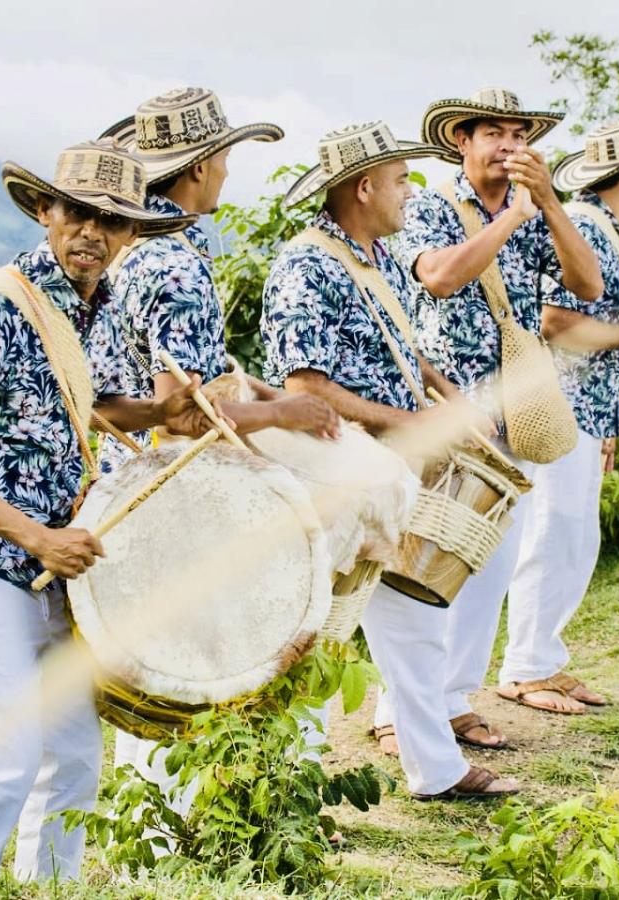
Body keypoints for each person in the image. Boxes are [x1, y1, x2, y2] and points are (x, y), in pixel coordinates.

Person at [0, 140, 216, 880]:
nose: (92, 233)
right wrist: (39, 539)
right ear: (45, 211)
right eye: (77, 213)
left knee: (71, 762)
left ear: (131, 232)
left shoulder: (92, 308)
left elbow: (81, 405)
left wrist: (160, 411)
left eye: (112, 220)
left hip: (50, 565)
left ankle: (50, 890)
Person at [262, 121, 517, 800]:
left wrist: (451, 402)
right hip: (333, 473)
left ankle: (436, 770)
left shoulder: (376, 259)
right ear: (364, 187)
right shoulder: (307, 265)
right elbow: (306, 389)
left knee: (413, 621)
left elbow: (409, 352)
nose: (410, 192)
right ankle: (293, 785)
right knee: (317, 629)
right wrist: (417, 423)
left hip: (385, 474)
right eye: (401, 180)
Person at [95, 87, 339, 777]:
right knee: (183, 657)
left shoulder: (130, 250)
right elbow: (184, 414)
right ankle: (171, 816)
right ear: (199, 167)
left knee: (148, 652)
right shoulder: (176, 266)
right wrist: (286, 413)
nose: (229, 170)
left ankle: (146, 810)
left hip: (122, 476)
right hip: (172, 486)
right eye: (224, 157)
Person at [394, 87, 604, 748]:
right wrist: (513, 216)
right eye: (495, 134)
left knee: (491, 564)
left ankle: (452, 699)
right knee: (425, 563)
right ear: (463, 140)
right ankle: (394, 713)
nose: (511, 147)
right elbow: (438, 278)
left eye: (520, 135)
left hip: (512, 411)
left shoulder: (534, 209)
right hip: (441, 409)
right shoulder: (428, 205)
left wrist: (549, 205)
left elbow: (589, 286)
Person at [499, 121, 619, 714]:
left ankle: (541, 659)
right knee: (554, 535)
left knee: (574, 537)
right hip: (560, 410)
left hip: (582, 412)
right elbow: (558, 324)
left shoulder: (598, 229)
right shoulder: (588, 230)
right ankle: (525, 667)